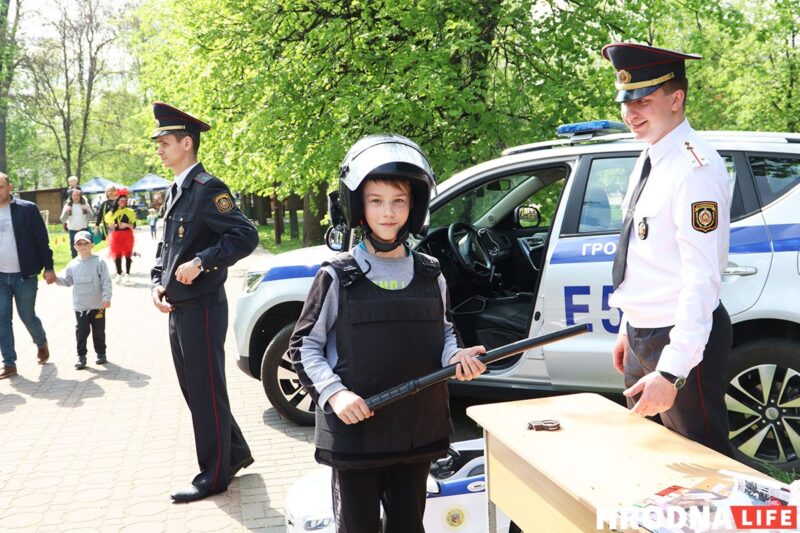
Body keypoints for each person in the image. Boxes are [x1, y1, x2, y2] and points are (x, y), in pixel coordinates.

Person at [289, 134, 487, 532]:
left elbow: (444, 332)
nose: (388, 212)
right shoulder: (335, 276)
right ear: (358, 206)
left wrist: (456, 358)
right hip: (357, 436)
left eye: (398, 201)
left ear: (414, 207)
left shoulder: (431, 273)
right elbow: (303, 347)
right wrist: (335, 392)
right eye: (376, 201)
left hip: (416, 433)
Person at [603, 43, 733, 456]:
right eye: (626, 101)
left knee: (702, 467)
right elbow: (645, 257)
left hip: (678, 342)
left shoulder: (695, 168)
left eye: (643, 100)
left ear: (676, 99)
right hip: (645, 336)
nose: (630, 113)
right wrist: (630, 327)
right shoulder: (652, 158)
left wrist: (673, 372)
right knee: (652, 461)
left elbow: (701, 280)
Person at [149, 102, 258, 503]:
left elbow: (244, 237)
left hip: (203, 305)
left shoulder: (208, 188)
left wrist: (202, 262)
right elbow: (166, 249)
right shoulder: (178, 190)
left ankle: (213, 476)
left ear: (186, 143)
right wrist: (155, 285)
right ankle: (236, 452)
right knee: (198, 391)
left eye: (164, 141)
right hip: (179, 307)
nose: (159, 148)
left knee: (205, 391)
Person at [0, 173, 55, 379]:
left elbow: (42, 241)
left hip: (25, 275)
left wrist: (49, 268)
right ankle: (9, 363)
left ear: (9, 186)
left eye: (1, 187)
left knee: (27, 316)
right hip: (0, 277)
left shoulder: (27, 210)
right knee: (2, 319)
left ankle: (41, 342)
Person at [55, 230, 112, 369]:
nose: (83, 246)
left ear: (92, 244)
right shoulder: (72, 264)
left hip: (98, 305)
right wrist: (55, 279)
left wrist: (106, 298)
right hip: (81, 306)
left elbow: (106, 281)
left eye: (85, 243)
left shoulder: (99, 262)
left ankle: (101, 353)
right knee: (82, 331)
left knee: (99, 331)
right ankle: (81, 356)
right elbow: (68, 281)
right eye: (79, 244)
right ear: (75, 247)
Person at [105, 189, 136, 284]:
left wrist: (126, 225)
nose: (123, 202)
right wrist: (112, 225)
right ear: (117, 201)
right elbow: (109, 223)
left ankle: (127, 274)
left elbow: (133, 225)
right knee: (117, 256)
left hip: (127, 235)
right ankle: (119, 274)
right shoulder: (113, 212)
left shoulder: (130, 212)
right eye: (121, 201)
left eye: (124, 201)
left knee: (128, 255)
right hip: (116, 235)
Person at [60, 187, 94, 258]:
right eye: (74, 195)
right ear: (71, 196)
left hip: (84, 230)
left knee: (86, 249)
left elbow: (92, 217)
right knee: (74, 250)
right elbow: (62, 220)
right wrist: (66, 211)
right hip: (73, 231)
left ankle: (87, 263)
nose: (76, 197)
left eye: (77, 195)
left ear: (80, 196)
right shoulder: (67, 206)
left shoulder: (85, 205)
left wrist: (87, 209)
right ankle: (75, 265)